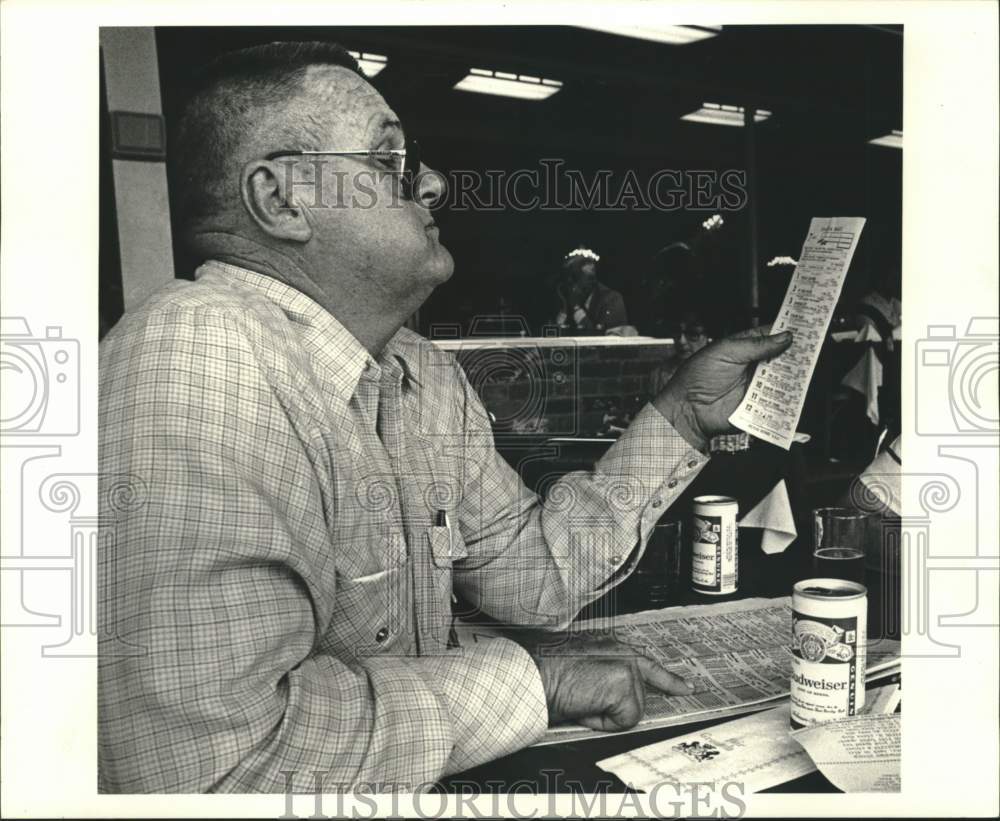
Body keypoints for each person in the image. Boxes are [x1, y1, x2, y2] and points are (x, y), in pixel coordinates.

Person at [98, 41, 793, 793]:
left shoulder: (418, 370)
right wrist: (531, 686)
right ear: (281, 200)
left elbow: (537, 577)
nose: (432, 182)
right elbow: (216, 768)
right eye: (389, 159)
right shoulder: (195, 351)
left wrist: (681, 415)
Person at [553, 246, 629, 334]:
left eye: (575, 277)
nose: (571, 284)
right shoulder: (566, 299)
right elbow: (556, 334)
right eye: (570, 279)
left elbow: (597, 337)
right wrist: (565, 308)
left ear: (591, 280)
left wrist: (576, 308)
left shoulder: (612, 299)